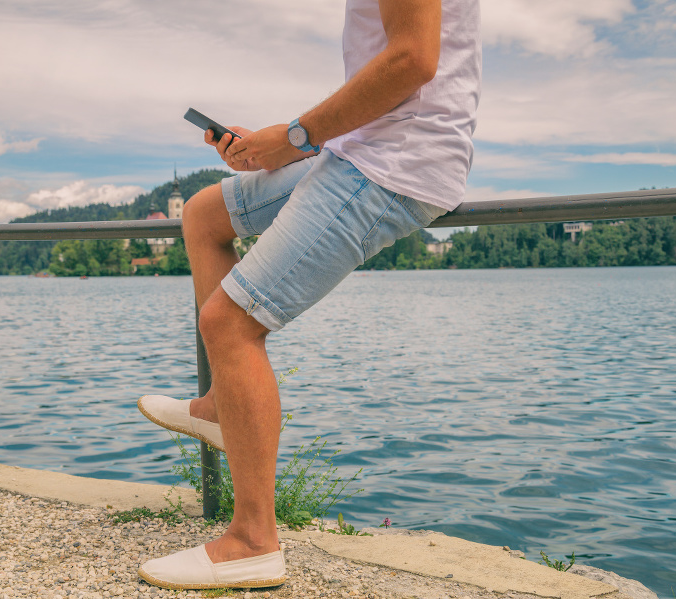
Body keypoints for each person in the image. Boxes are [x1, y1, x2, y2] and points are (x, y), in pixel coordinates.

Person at [136, 0, 481, 590]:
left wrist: (294, 135)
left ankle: (252, 542)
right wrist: (282, 144)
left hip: (397, 164)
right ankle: (224, 406)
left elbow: (413, 59)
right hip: (359, 149)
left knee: (230, 323)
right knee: (203, 214)